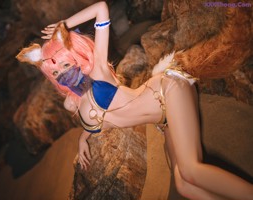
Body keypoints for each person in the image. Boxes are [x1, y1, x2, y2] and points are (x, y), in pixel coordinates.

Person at [16, 1, 253, 199]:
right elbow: (100, 120)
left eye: (66, 64)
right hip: (163, 120)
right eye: (56, 72)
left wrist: (65, 25)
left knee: (191, 171)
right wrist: (83, 138)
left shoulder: (98, 71)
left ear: (76, 58)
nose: (63, 73)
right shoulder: (73, 104)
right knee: (183, 185)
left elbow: (101, 8)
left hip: (167, 91)